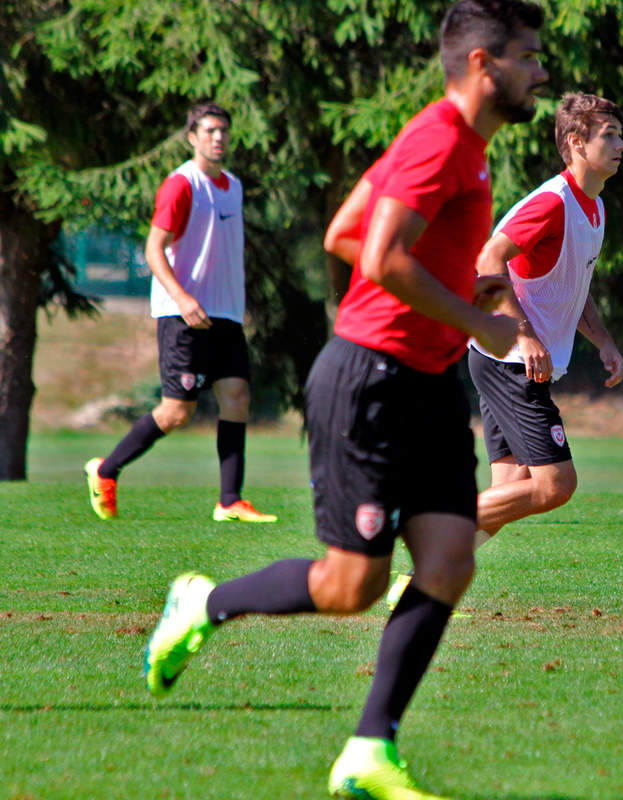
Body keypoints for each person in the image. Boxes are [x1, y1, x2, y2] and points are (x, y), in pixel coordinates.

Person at [141, 2, 546, 798]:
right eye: (529, 56)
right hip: (369, 381)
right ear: (481, 66)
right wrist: (479, 322)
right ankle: (203, 602)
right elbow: (384, 257)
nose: (539, 72)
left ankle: (369, 749)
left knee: (450, 561)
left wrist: (461, 290)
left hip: (429, 384)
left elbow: (344, 235)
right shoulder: (438, 140)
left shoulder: (467, 145)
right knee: (349, 586)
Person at [385, 92, 623, 608]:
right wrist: (523, 334)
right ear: (575, 143)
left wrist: (603, 340)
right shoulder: (552, 202)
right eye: (609, 135)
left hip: (513, 359)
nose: (621, 145)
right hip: (510, 360)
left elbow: (572, 287)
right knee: (555, 484)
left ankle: (423, 580)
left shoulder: (595, 207)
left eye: (620, 134)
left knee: (510, 492)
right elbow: (488, 258)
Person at [84, 101, 276, 524]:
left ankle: (229, 500)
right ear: (192, 137)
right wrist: (184, 298)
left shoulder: (234, 186)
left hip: (224, 313)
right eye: (209, 130)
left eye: (224, 130)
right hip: (182, 314)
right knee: (177, 412)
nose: (219, 137)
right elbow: (154, 249)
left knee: (236, 398)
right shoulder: (181, 184)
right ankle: (106, 470)